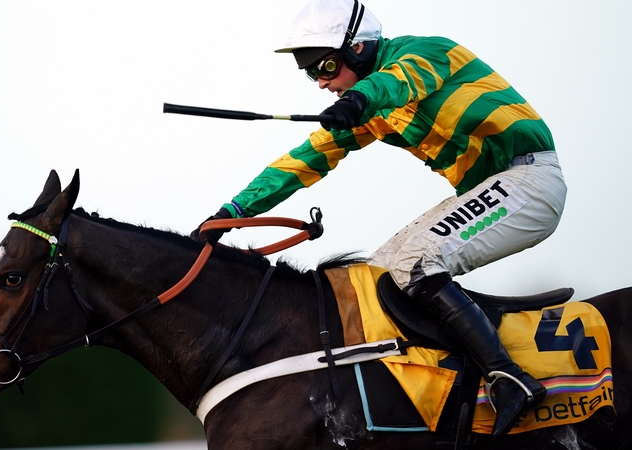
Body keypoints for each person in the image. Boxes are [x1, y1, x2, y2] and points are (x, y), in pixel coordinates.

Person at [191, 0, 567, 439]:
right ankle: (439, 387)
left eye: (326, 67)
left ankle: (508, 377)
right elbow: (304, 159)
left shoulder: (427, 52)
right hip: (487, 190)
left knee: (416, 262)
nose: (322, 82)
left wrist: (358, 99)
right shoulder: (368, 110)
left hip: (530, 180)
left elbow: (397, 82)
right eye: (312, 74)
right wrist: (232, 213)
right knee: (375, 278)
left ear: (359, 47)